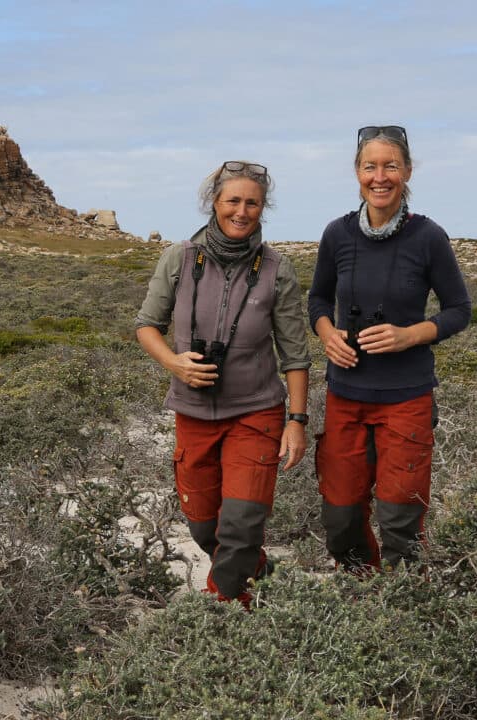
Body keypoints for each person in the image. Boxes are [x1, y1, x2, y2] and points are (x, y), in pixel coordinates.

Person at [136, 160, 310, 605]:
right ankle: (257, 570)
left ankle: (225, 620)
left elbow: (294, 353)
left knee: (241, 524)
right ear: (214, 203)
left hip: (256, 412)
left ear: (262, 208)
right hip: (193, 412)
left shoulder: (276, 269)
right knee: (203, 525)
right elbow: (146, 326)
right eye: (233, 200)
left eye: (252, 202)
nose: (242, 210)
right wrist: (175, 364)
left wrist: (296, 420)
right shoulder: (178, 258)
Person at [308, 126, 471, 573]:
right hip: (347, 395)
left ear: (407, 172)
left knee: (400, 518)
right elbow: (318, 300)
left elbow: (459, 309)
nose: (380, 177)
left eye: (390, 166)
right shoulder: (337, 234)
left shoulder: (428, 236)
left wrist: (410, 335)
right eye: (370, 167)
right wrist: (326, 333)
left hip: (407, 397)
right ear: (357, 173)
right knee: (340, 518)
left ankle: (402, 602)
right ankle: (364, 589)